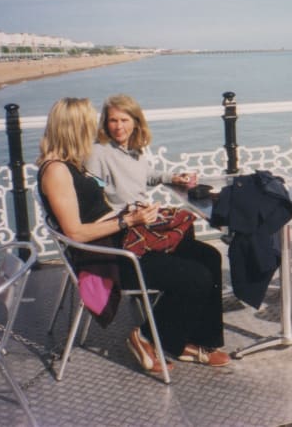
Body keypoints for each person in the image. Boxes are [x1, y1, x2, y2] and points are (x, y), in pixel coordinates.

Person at [37, 97, 230, 375]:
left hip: (120, 240)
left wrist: (133, 217)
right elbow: (75, 232)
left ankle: (194, 340)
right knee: (196, 276)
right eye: (90, 123)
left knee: (208, 256)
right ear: (73, 127)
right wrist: (128, 220)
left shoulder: (70, 163)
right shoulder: (56, 171)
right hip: (108, 258)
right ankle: (145, 336)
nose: (96, 129)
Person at [85, 93, 197, 211]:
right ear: (106, 124)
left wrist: (173, 178)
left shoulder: (132, 147)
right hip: (121, 218)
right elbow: (91, 199)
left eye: (124, 120)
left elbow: (147, 174)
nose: (119, 126)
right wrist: (126, 217)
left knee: (187, 215)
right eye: (113, 120)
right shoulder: (97, 152)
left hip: (141, 213)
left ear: (135, 123)